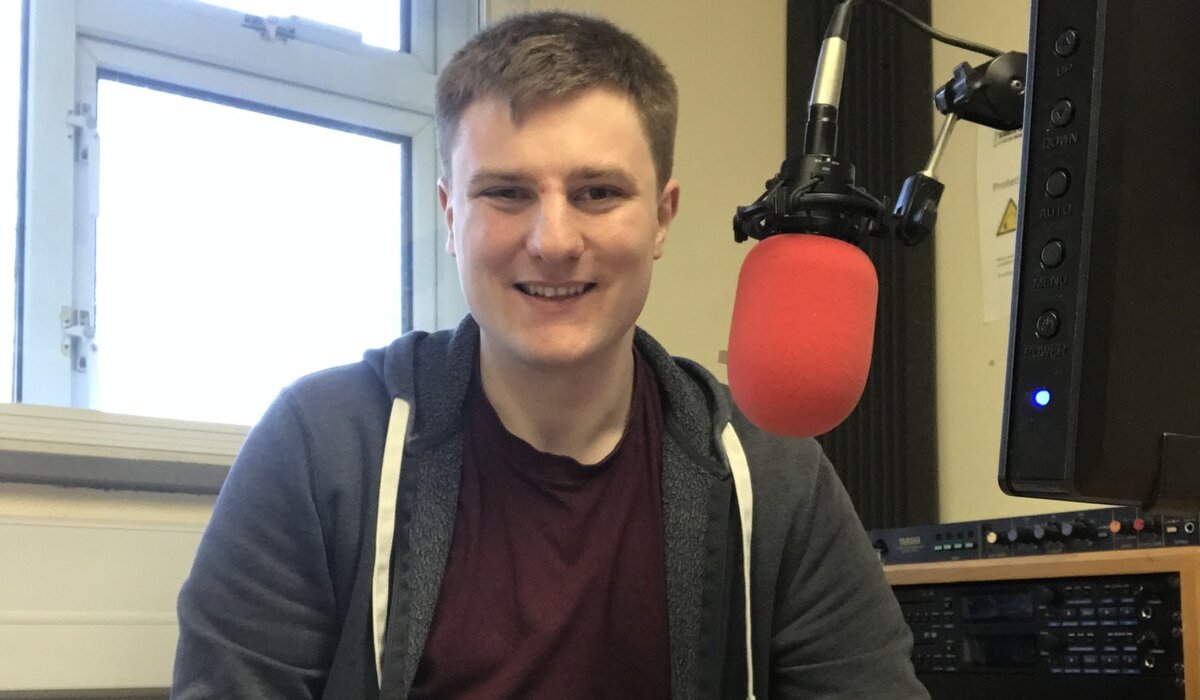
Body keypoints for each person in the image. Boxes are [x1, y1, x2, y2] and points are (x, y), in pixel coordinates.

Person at [172, 10, 927, 700]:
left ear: (662, 218)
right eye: (506, 193)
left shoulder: (773, 476)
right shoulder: (321, 448)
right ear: (450, 215)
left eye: (598, 193)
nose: (554, 241)